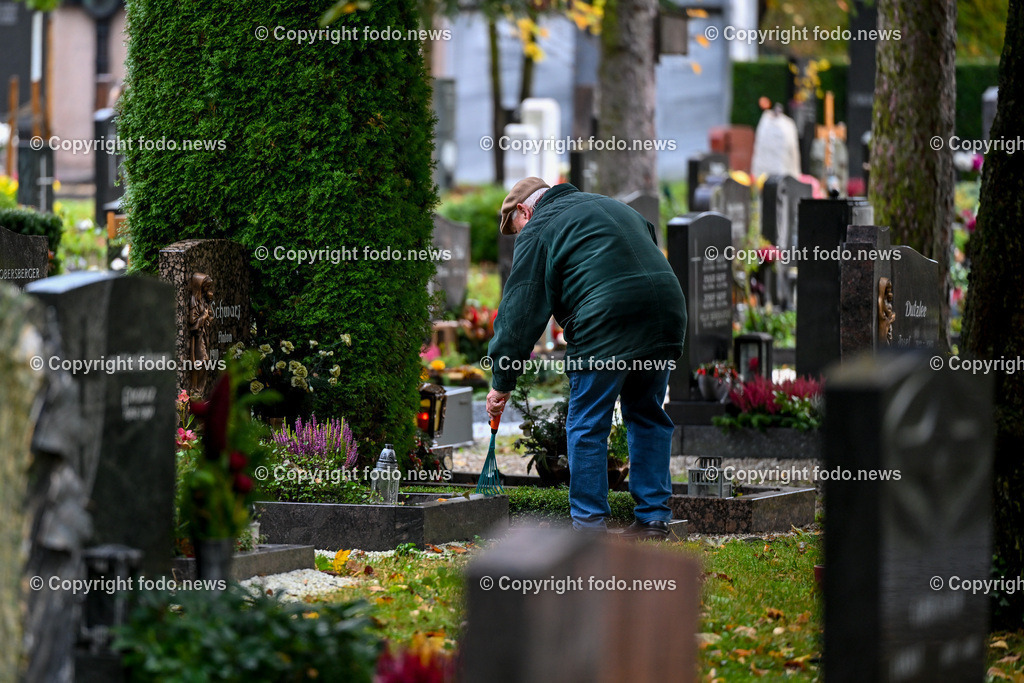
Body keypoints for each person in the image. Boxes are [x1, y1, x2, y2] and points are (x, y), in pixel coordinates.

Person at [485, 177, 687, 539]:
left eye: (517, 230)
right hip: (665, 311)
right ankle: (654, 519)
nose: (520, 237)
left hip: (606, 319)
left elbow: (519, 313)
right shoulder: (614, 205)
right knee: (648, 414)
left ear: (524, 210)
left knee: (587, 424)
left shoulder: (540, 226)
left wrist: (501, 381)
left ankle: (589, 530)